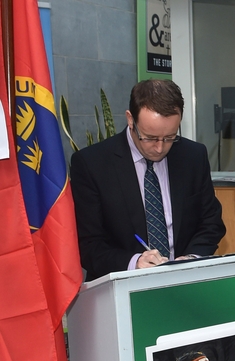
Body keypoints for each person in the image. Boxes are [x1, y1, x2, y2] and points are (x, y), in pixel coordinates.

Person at [70, 79, 226, 281]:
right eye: (150, 137)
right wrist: (134, 262)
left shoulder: (193, 156)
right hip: (122, 288)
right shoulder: (92, 164)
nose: (160, 148)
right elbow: (89, 244)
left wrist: (190, 259)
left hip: (184, 284)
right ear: (130, 119)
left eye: (170, 137)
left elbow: (211, 222)